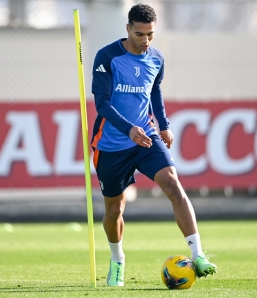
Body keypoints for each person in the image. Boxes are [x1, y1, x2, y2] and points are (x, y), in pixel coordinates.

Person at [91, 3, 217, 287]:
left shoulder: (156, 58)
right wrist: (128, 129)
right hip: (111, 144)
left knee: (173, 184)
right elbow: (101, 103)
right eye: (139, 34)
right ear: (128, 29)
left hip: (146, 136)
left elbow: (154, 91)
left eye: (150, 34)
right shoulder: (107, 57)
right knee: (114, 211)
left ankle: (197, 255)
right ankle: (118, 260)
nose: (145, 40)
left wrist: (164, 124)